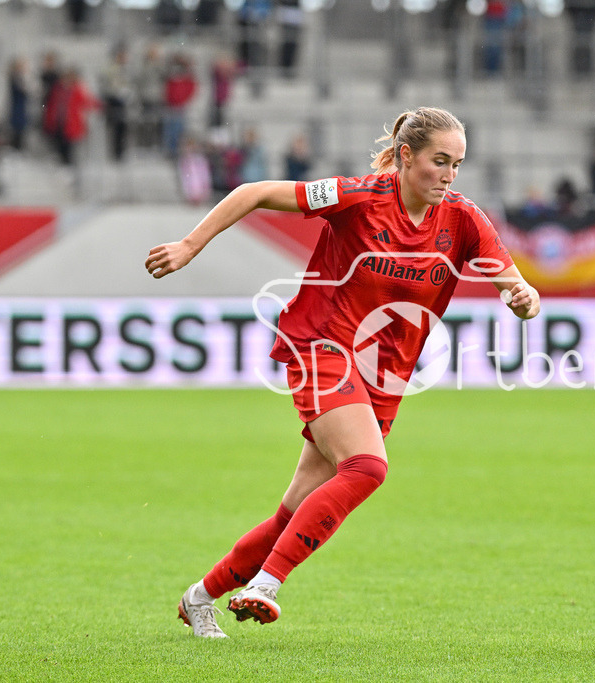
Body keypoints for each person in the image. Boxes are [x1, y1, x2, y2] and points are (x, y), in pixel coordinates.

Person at [144, 106, 541, 638]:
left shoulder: (463, 220)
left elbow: (515, 286)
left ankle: (199, 598)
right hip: (321, 347)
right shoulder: (359, 197)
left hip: (383, 376)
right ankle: (266, 584)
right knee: (368, 468)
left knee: (293, 515)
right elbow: (256, 191)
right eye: (439, 162)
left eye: (457, 165)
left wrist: (524, 299)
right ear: (406, 157)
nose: (448, 176)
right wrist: (190, 245)